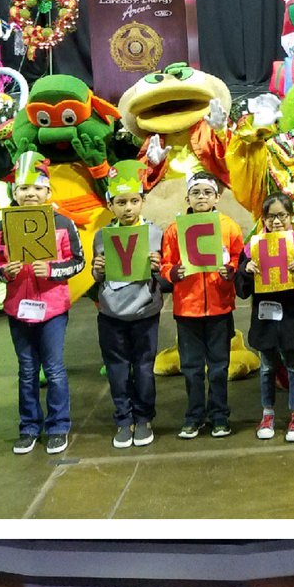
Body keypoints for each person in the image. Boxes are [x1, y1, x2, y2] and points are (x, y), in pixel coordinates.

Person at [0, 150, 84, 456]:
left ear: (48, 191)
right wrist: (5, 272)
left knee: (54, 370)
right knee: (27, 370)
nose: (30, 194)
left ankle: (58, 426)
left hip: (53, 309)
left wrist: (54, 270)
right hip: (18, 307)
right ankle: (29, 427)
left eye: (37, 188)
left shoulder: (64, 224)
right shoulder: (4, 225)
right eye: (24, 188)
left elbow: (78, 262)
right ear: (14, 192)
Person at [161, 170, 243, 440]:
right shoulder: (175, 230)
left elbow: (237, 258)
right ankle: (194, 416)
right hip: (187, 309)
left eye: (207, 192)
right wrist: (174, 273)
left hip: (219, 307)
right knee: (192, 368)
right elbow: (165, 264)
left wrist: (229, 270)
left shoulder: (229, 226)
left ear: (217, 197)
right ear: (187, 196)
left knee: (219, 367)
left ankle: (220, 415)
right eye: (196, 192)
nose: (202, 197)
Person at [90, 160, 164, 449]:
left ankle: (144, 417)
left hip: (145, 311)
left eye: (134, 201)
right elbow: (97, 276)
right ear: (111, 205)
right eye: (121, 202)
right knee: (117, 368)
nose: (128, 208)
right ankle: (124, 419)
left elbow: (166, 274)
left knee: (144, 367)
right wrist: (97, 270)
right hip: (111, 312)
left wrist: (158, 267)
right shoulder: (101, 236)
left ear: (143, 202)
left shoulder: (155, 233)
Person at [233, 191, 294, 443]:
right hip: (265, 320)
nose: (277, 221)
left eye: (282, 215)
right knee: (267, 368)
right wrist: (246, 271)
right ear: (264, 219)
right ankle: (267, 413)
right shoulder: (253, 246)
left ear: (291, 216)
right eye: (271, 217)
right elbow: (241, 289)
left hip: (292, 319)